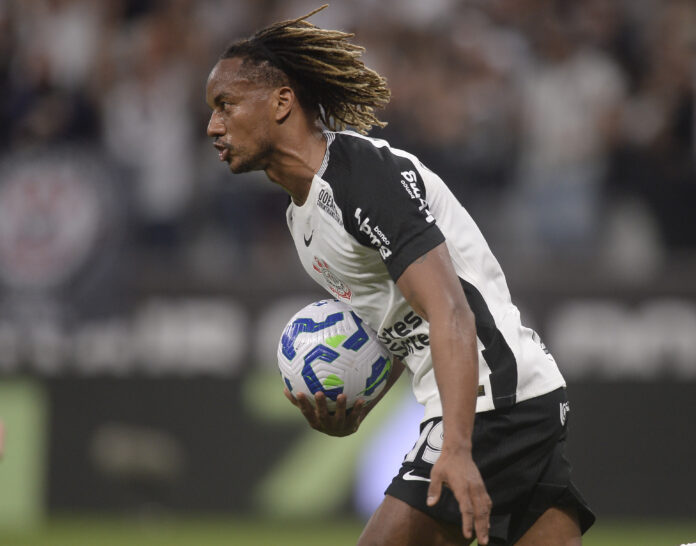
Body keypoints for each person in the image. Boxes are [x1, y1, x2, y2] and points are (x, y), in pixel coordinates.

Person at [205, 6, 594, 545]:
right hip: (509, 400)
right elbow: (397, 330)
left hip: (491, 400)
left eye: (225, 104)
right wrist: (358, 406)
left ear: (281, 102)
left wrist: (456, 447)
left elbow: (449, 308)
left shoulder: (360, 175)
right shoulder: (303, 221)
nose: (212, 125)